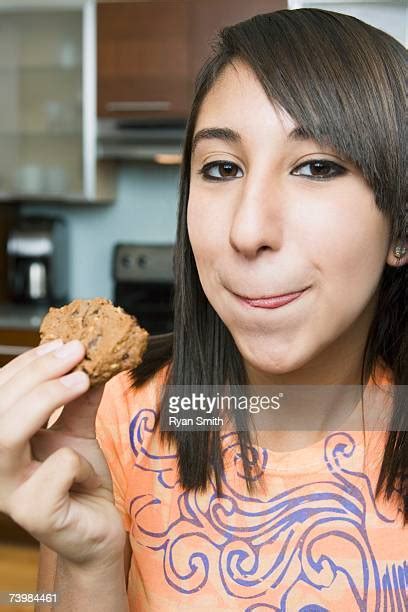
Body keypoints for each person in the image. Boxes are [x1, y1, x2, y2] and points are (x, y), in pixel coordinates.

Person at [0, 8, 406, 612]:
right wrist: (90, 561)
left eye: (316, 167)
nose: (247, 230)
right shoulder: (112, 415)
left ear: (400, 227)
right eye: (221, 168)